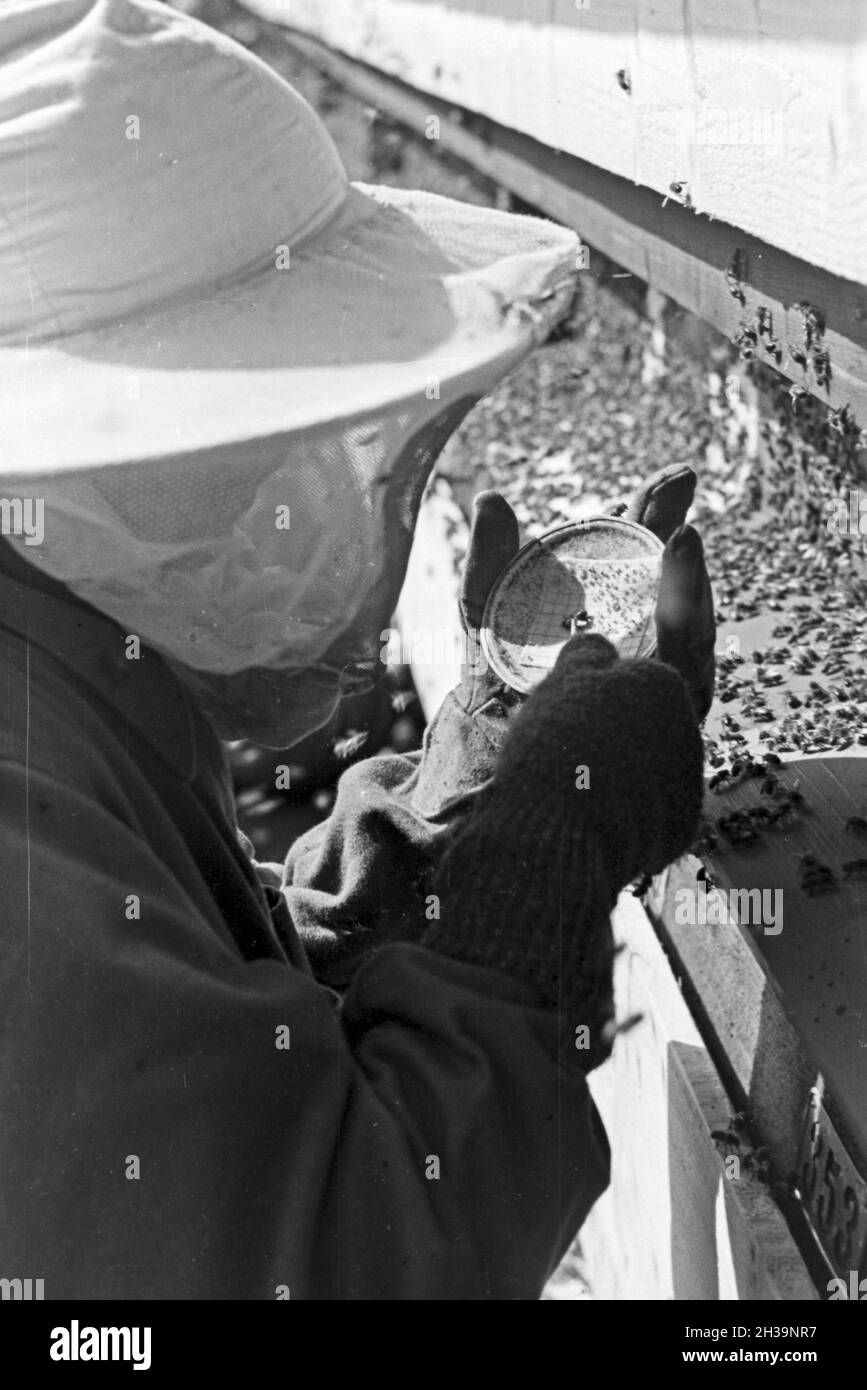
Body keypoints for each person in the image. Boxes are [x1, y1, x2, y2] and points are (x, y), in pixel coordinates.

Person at [0, 0, 714, 1299]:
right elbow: (329, 1260)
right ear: (96, 462)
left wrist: (438, 825)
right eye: (250, 462)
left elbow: (192, 1027)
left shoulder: (65, 652)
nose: (290, 517)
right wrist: (530, 867)